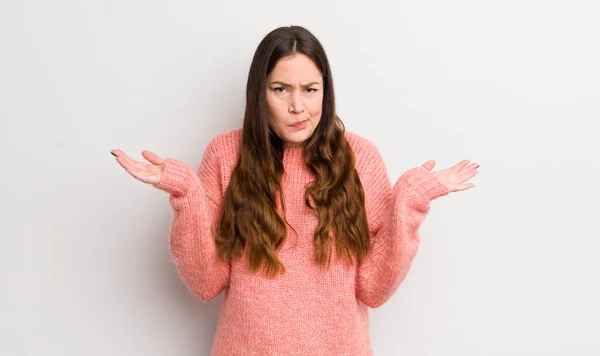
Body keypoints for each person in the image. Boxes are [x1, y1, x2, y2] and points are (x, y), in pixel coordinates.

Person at [112, 25, 478, 356]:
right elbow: (206, 283)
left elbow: (373, 289)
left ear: (325, 91)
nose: (297, 106)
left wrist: (409, 200)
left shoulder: (360, 159)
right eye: (281, 89)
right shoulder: (225, 155)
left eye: (310, 89)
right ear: (260, 93)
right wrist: (188, 195)